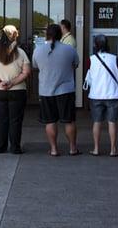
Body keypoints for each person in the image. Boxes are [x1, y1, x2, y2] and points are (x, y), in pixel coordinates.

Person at [32, 24, 80, 157]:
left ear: (47, 34)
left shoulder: (38, 50)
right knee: (69, 120)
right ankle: (72, 148)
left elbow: (35, 66)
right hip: (66, 90)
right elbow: (76, 64)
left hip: (46, 90)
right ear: (61, 34)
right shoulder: (69, 50)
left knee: (50, 121)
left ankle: (53, 149)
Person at [0, 25, 31, 154]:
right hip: (18, 90)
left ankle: (0, 147)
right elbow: (26, 72)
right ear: (15, 36)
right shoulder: (21, 53)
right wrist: (12, 82)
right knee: (15, 120)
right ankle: (15, 147)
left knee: (1, 120)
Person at [85, 34, 118, 157]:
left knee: (97, 122)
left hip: (96, 94)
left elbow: (89, 77)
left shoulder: (91, 59)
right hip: (113, 95)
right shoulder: (114, 58)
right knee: (112, 122)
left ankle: (96, 149)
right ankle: (113, 149)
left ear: (95, 45)